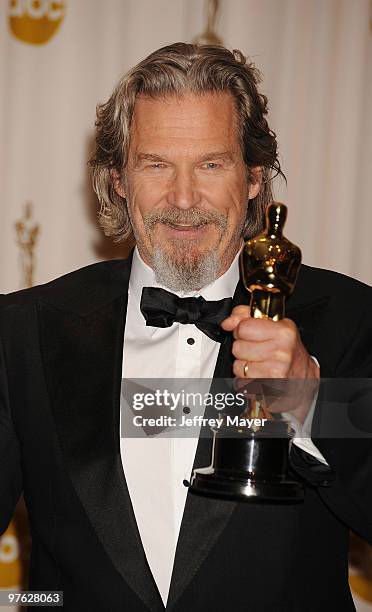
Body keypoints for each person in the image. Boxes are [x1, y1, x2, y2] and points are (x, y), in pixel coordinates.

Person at [1, 42, 372, 611]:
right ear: (118, 179)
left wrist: (312, 404)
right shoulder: (23, 332)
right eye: (155, 164)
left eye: (210, 164)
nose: (182, 199)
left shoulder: (350, 319)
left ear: (253, 178)